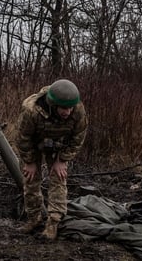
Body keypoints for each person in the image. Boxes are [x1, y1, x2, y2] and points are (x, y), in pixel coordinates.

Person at [15, 79, 88, 240]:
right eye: (63, 108)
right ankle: (34, 219)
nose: (67, 112)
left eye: (70, 108)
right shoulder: (31, 110)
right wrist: (30, 162)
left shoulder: (77, 110)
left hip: (59, 145)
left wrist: (62, 160)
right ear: (53, 104)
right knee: (31, 179)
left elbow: (78, 137)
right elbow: (23, 137)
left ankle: (53, 223)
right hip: (34, 144)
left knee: (58, 178)